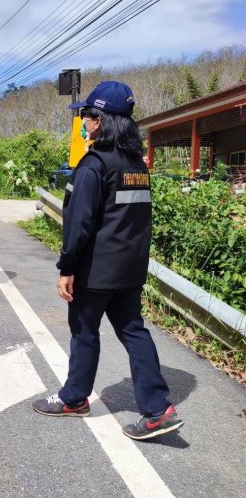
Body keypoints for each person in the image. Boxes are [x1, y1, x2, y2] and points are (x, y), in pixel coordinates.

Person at [32, 81, 183, 441]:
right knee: (134, 330)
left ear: (99, 120)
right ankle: (158, 408)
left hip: (95, 271)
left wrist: (66, 268)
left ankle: (74, 398)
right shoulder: (136, 165)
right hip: (130, 269)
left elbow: (79, 225)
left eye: (86, 115)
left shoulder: (94, 165)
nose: (83, 121)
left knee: (84, 332)